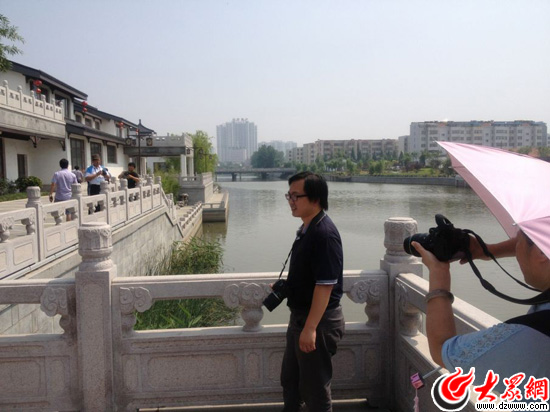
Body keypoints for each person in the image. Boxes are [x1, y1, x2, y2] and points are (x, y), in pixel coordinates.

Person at [413, 232, 550, 395]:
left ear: (542, 252)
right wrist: (486, 250)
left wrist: (438, 273)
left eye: (518, 241)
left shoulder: (533, 334)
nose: (516, 249)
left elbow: (442, 350)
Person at [278, 171, 345, 412]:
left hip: (318, 321)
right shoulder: (308, 228)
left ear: (315, 199)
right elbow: (310, 276)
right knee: (291, 381)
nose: (291, 201)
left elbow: (325, 286)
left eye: (296, 196)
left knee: (315, 389)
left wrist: (310, 328)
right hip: (302, 318)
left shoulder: (324, 234)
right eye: (289, 195)